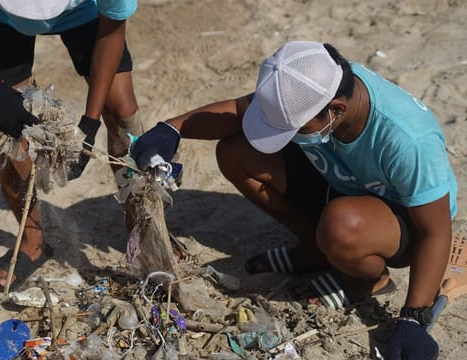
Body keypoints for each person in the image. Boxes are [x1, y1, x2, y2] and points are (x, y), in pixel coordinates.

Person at [131, 41, 457, 359]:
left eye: (293, 128)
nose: (287, 134)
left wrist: (413, 316)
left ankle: (366, 281)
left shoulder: (408, 141)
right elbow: (239, 112)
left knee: (341, 225)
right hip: (344, 183)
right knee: (235, 151)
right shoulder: (315, 82)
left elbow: (436, 232)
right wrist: (172, 129)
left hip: (403, 220)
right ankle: (317, 248)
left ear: (336, 110)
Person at [0, 0, 143, 290]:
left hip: (87, 12)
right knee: (4, 129)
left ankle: (140, 228)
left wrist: (91, 122)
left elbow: (112, 30)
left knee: (122, 113)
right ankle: (33, 239)